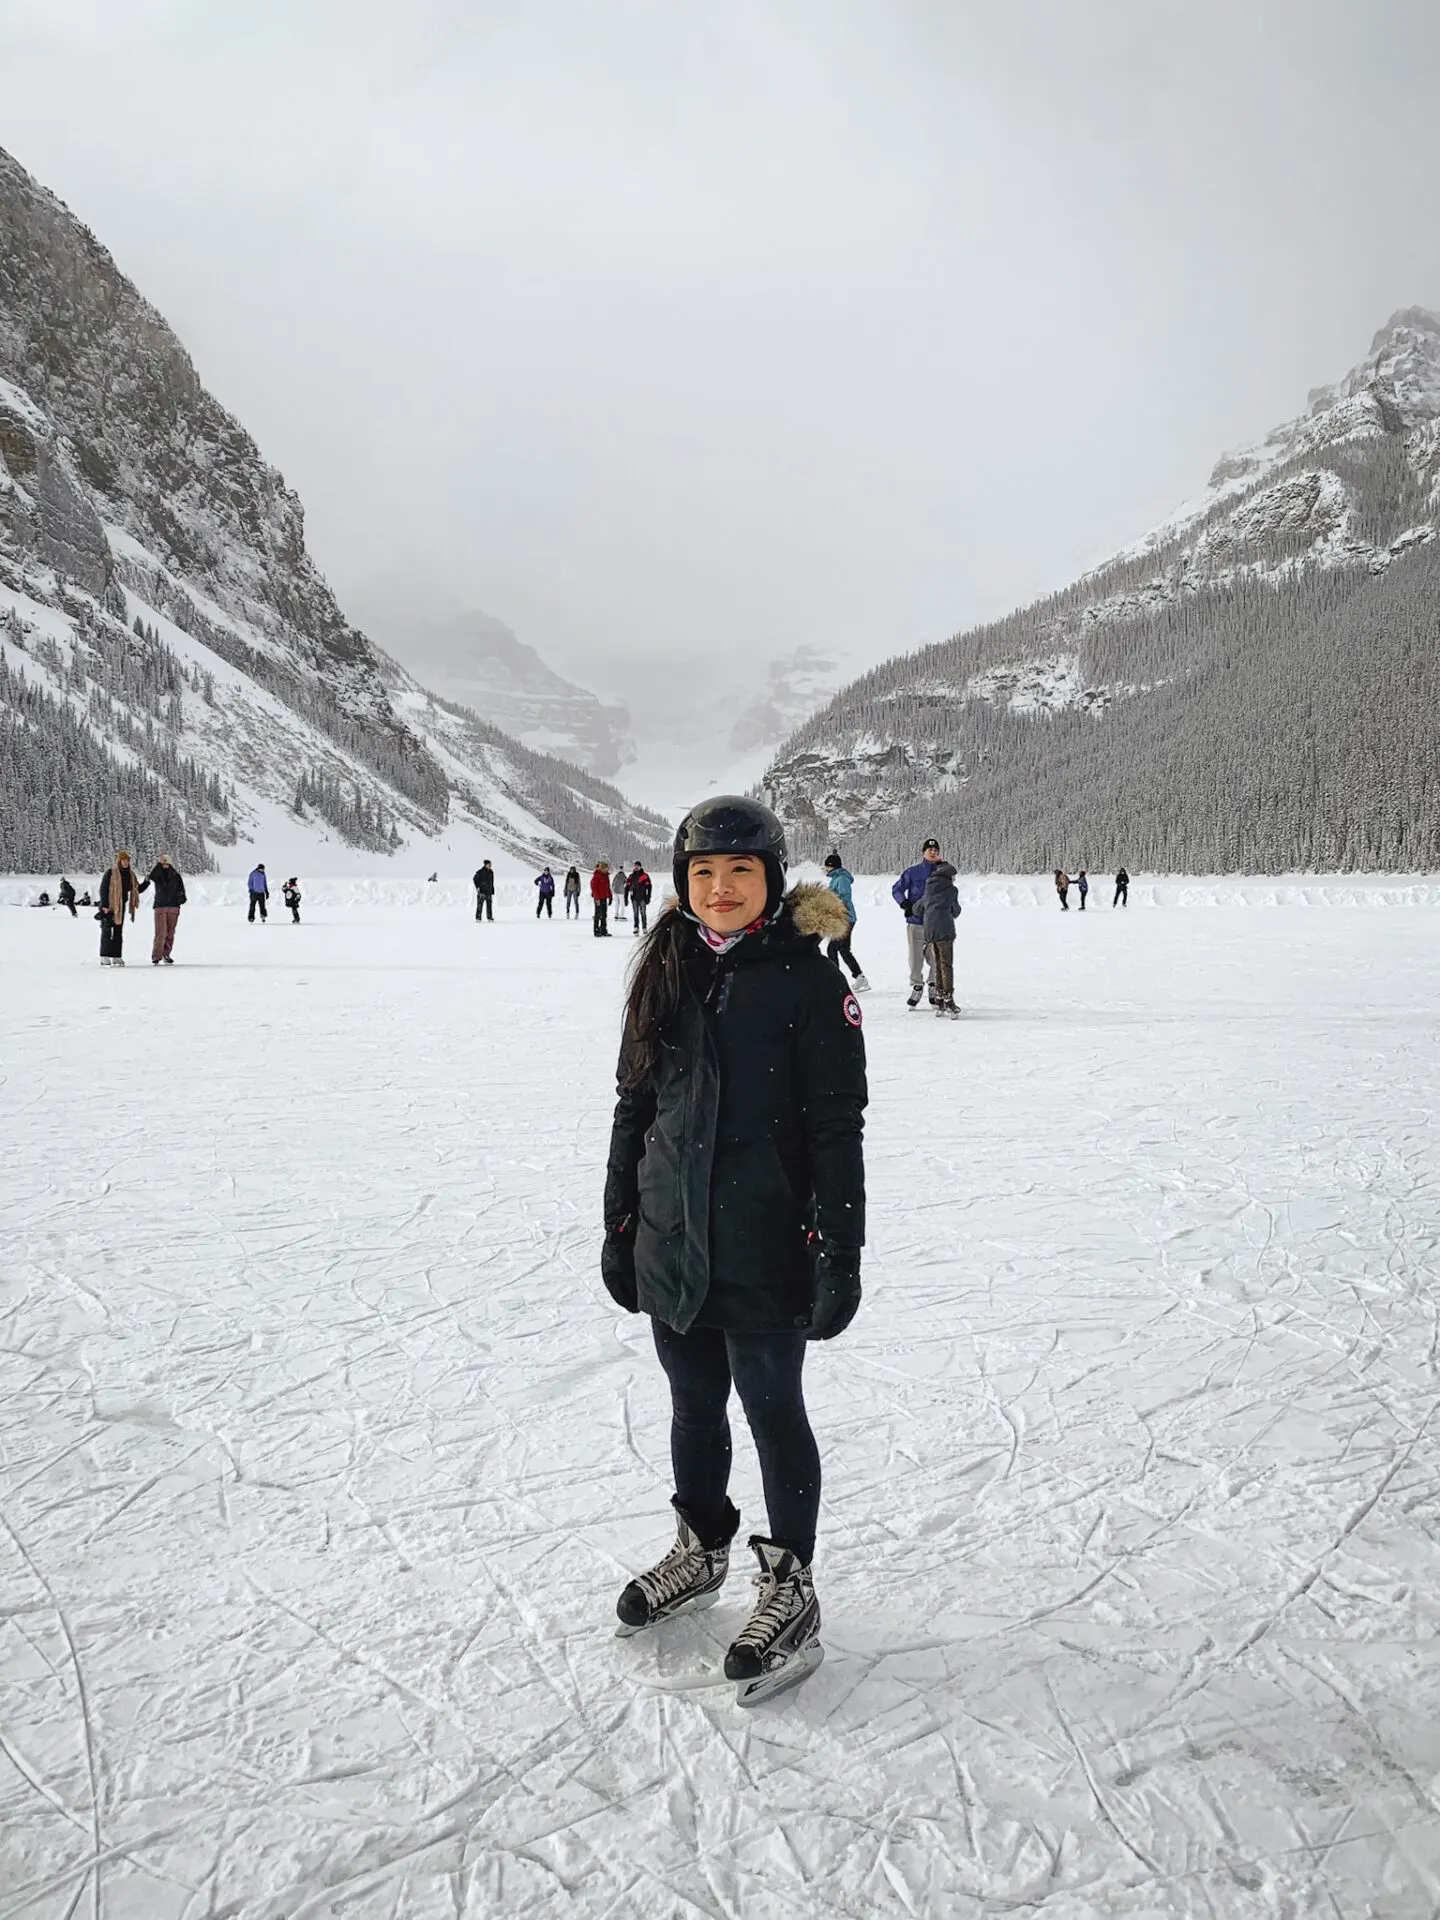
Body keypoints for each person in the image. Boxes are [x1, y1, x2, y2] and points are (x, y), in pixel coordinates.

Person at [603, 795, 866, 1705]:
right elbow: (635, 1108)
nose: (720, 889)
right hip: (674, 1239)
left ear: (770, 879)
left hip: (765, 1242)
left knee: (770, 1407)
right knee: (691, 1405)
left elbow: (839, 1127)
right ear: (682, 883)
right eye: (703, 873)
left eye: (739, 872)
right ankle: (702, 1545)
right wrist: (619, 1223)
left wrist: (840, 1250)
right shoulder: (666, 970)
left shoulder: (806, 980)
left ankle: (790, 1586)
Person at [892, 837, 943, 1007]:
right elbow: (897, 889)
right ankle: (917, 985)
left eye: (936, 850)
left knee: (936, 957)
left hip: (935, 922)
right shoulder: (912, 872)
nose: (933, 852)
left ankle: (933, 985)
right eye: (930, 850)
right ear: (923, 852)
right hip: (916, 922)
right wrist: (904, 903)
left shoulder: (943, 872)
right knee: (915, 959)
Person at [822, 853, 870, 991]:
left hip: (845, 919)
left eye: (826, 866)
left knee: (832, 948)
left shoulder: (841, 879)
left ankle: (834, 981)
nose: (825, 869)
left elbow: (844, 897)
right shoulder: (837, 878)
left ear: (831, 866)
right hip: (844, 918)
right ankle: (860, 977)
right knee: (843, 950)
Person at [922, 858, 961, 1019]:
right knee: (946, 964)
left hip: (930, 930)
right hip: (945, 930)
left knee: (938, 964)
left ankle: (939, 999)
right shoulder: (951, 890)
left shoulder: (929, 887)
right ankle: (948, 999)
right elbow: (956, 911)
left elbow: (919, 907)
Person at [138, 854, 187, 964]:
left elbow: (182, 891)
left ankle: (166, 954)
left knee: (170, 933)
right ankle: (156, 956)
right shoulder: (157, 873)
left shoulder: (176, 875)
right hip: (160, 906)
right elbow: (147, 882)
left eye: (166, 862)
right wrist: (155, 868)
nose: (164, 864)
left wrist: (180, 898)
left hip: (173, 907)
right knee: (161, 932)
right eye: (162, 862)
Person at [97, 851, 138, 966]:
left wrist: (147, 882)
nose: (125, 863)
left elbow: (136, 889)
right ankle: (104, 956)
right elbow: (103, 889)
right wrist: (104, 905)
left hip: (120, 907)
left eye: (127, 861)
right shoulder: (111, 872)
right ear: (119, 861)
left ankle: (116, 956)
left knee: (118, 931)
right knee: (106, 931)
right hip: (109, 906)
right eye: (123, 861)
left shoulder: (129, 875)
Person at [628, 861, 653, 934]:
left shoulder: (645, 876)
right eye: (635, 866)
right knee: (635, 913)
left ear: (640, 867)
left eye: (638, 866)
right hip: (634, 898)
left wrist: (648, 897)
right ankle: (636, 927)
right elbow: (627, 886)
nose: (636, 867)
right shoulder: (631, 876)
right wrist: (626, 897)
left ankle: (644, 927)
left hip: (642, 898)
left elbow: (649, 887)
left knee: (643, 913)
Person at [591, 860, 613, 937]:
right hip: (598, 898)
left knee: (604, 914)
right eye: (605, 868)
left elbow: (608, 887)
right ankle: (596, 930)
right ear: (601, 869)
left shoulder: (606, 876)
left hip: (604, 898)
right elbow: (594, 888)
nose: (607, 869)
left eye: (607, 868)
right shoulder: (596, 877)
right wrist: (597, 899)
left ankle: (603, 930)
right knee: (598, 914)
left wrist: (610, 896)